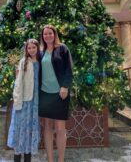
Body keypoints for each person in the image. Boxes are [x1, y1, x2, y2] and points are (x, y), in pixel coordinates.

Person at [39, 24, 73, 162]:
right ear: (42, 36)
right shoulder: (40, 52)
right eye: (45, 34)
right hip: (44, 94)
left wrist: (65, 86)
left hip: (60, 93)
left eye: (50, 33)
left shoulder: (63, 48)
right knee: (47, 127)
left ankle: (61, 159)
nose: (47, 36)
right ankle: (50, 159)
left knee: (59, 128)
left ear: (55, 35)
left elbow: (69, 69)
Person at [7, 39, 41, 162]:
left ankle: (28, 157)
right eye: (29, 48)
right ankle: (17, 156)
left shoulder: (40, 62)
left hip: (35, 103)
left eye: (34, 47)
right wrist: (17, 99)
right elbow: (18, 82)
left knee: (30, 130)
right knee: (20, 127)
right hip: (24, 101)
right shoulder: (24, 62)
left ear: (38, 48)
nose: (31, 50)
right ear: (26, 50)